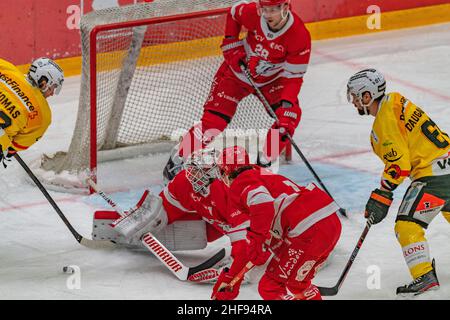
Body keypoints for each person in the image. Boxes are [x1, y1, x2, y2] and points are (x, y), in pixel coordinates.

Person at [163, 0, 311, 182]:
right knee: (213, 123)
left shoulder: (299, 35)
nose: (268, 14)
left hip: (272, 81)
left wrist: (287, 105)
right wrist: (231, 42)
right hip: (237, 73)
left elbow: (293, 77)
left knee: (287, 119)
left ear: (286, 7)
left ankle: (264, 164)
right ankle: (178, 157)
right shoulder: (252, 14)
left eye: (274, 10)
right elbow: (233, 13)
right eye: (265, 9)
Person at [346, 69, 450, 296]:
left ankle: (424, 276)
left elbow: (399, 166)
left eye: (355, 96)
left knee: (407, 226)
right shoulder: (395, 100)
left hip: (434, 176)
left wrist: (382, 193)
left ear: (367, 96)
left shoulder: (383, 122)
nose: (353, 101)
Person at [92, 149, 251, 283]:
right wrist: (149, 220)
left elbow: (248, 234)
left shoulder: (236, 195)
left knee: (256, 249)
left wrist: (238, 267)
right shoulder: (185, 182)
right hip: (219, 220)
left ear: (216, 174)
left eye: (199, 171)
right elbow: (166, 206)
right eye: (193, 169)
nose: (192, 174)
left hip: (258, 228)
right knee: (203, 232)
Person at [211, 145, 342, 300]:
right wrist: (233, 278)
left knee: (270, 287)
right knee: (297, 283)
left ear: (225, 172)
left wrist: (257, 240)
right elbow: (260, 232)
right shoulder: (261, 174)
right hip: (329, 221)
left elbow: (262, 203)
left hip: (307, 228)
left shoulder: (241, 182)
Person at [0, 57, 64, 167]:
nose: (52, 93)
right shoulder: (44, 115)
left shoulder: (9, 69)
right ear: (44, 82)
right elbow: (16, 145)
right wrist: (9, 150)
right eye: (52, 87)